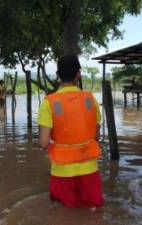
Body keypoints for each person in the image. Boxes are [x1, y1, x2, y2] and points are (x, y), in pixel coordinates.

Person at [38, 55, 103, 210]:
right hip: (89, 169)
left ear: (58, 75)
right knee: (92, 210)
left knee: (64, 214)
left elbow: (43, 143)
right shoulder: (90, 99)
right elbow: (96, 135)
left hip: (62, 170)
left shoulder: (49, 102)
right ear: (78, 74)